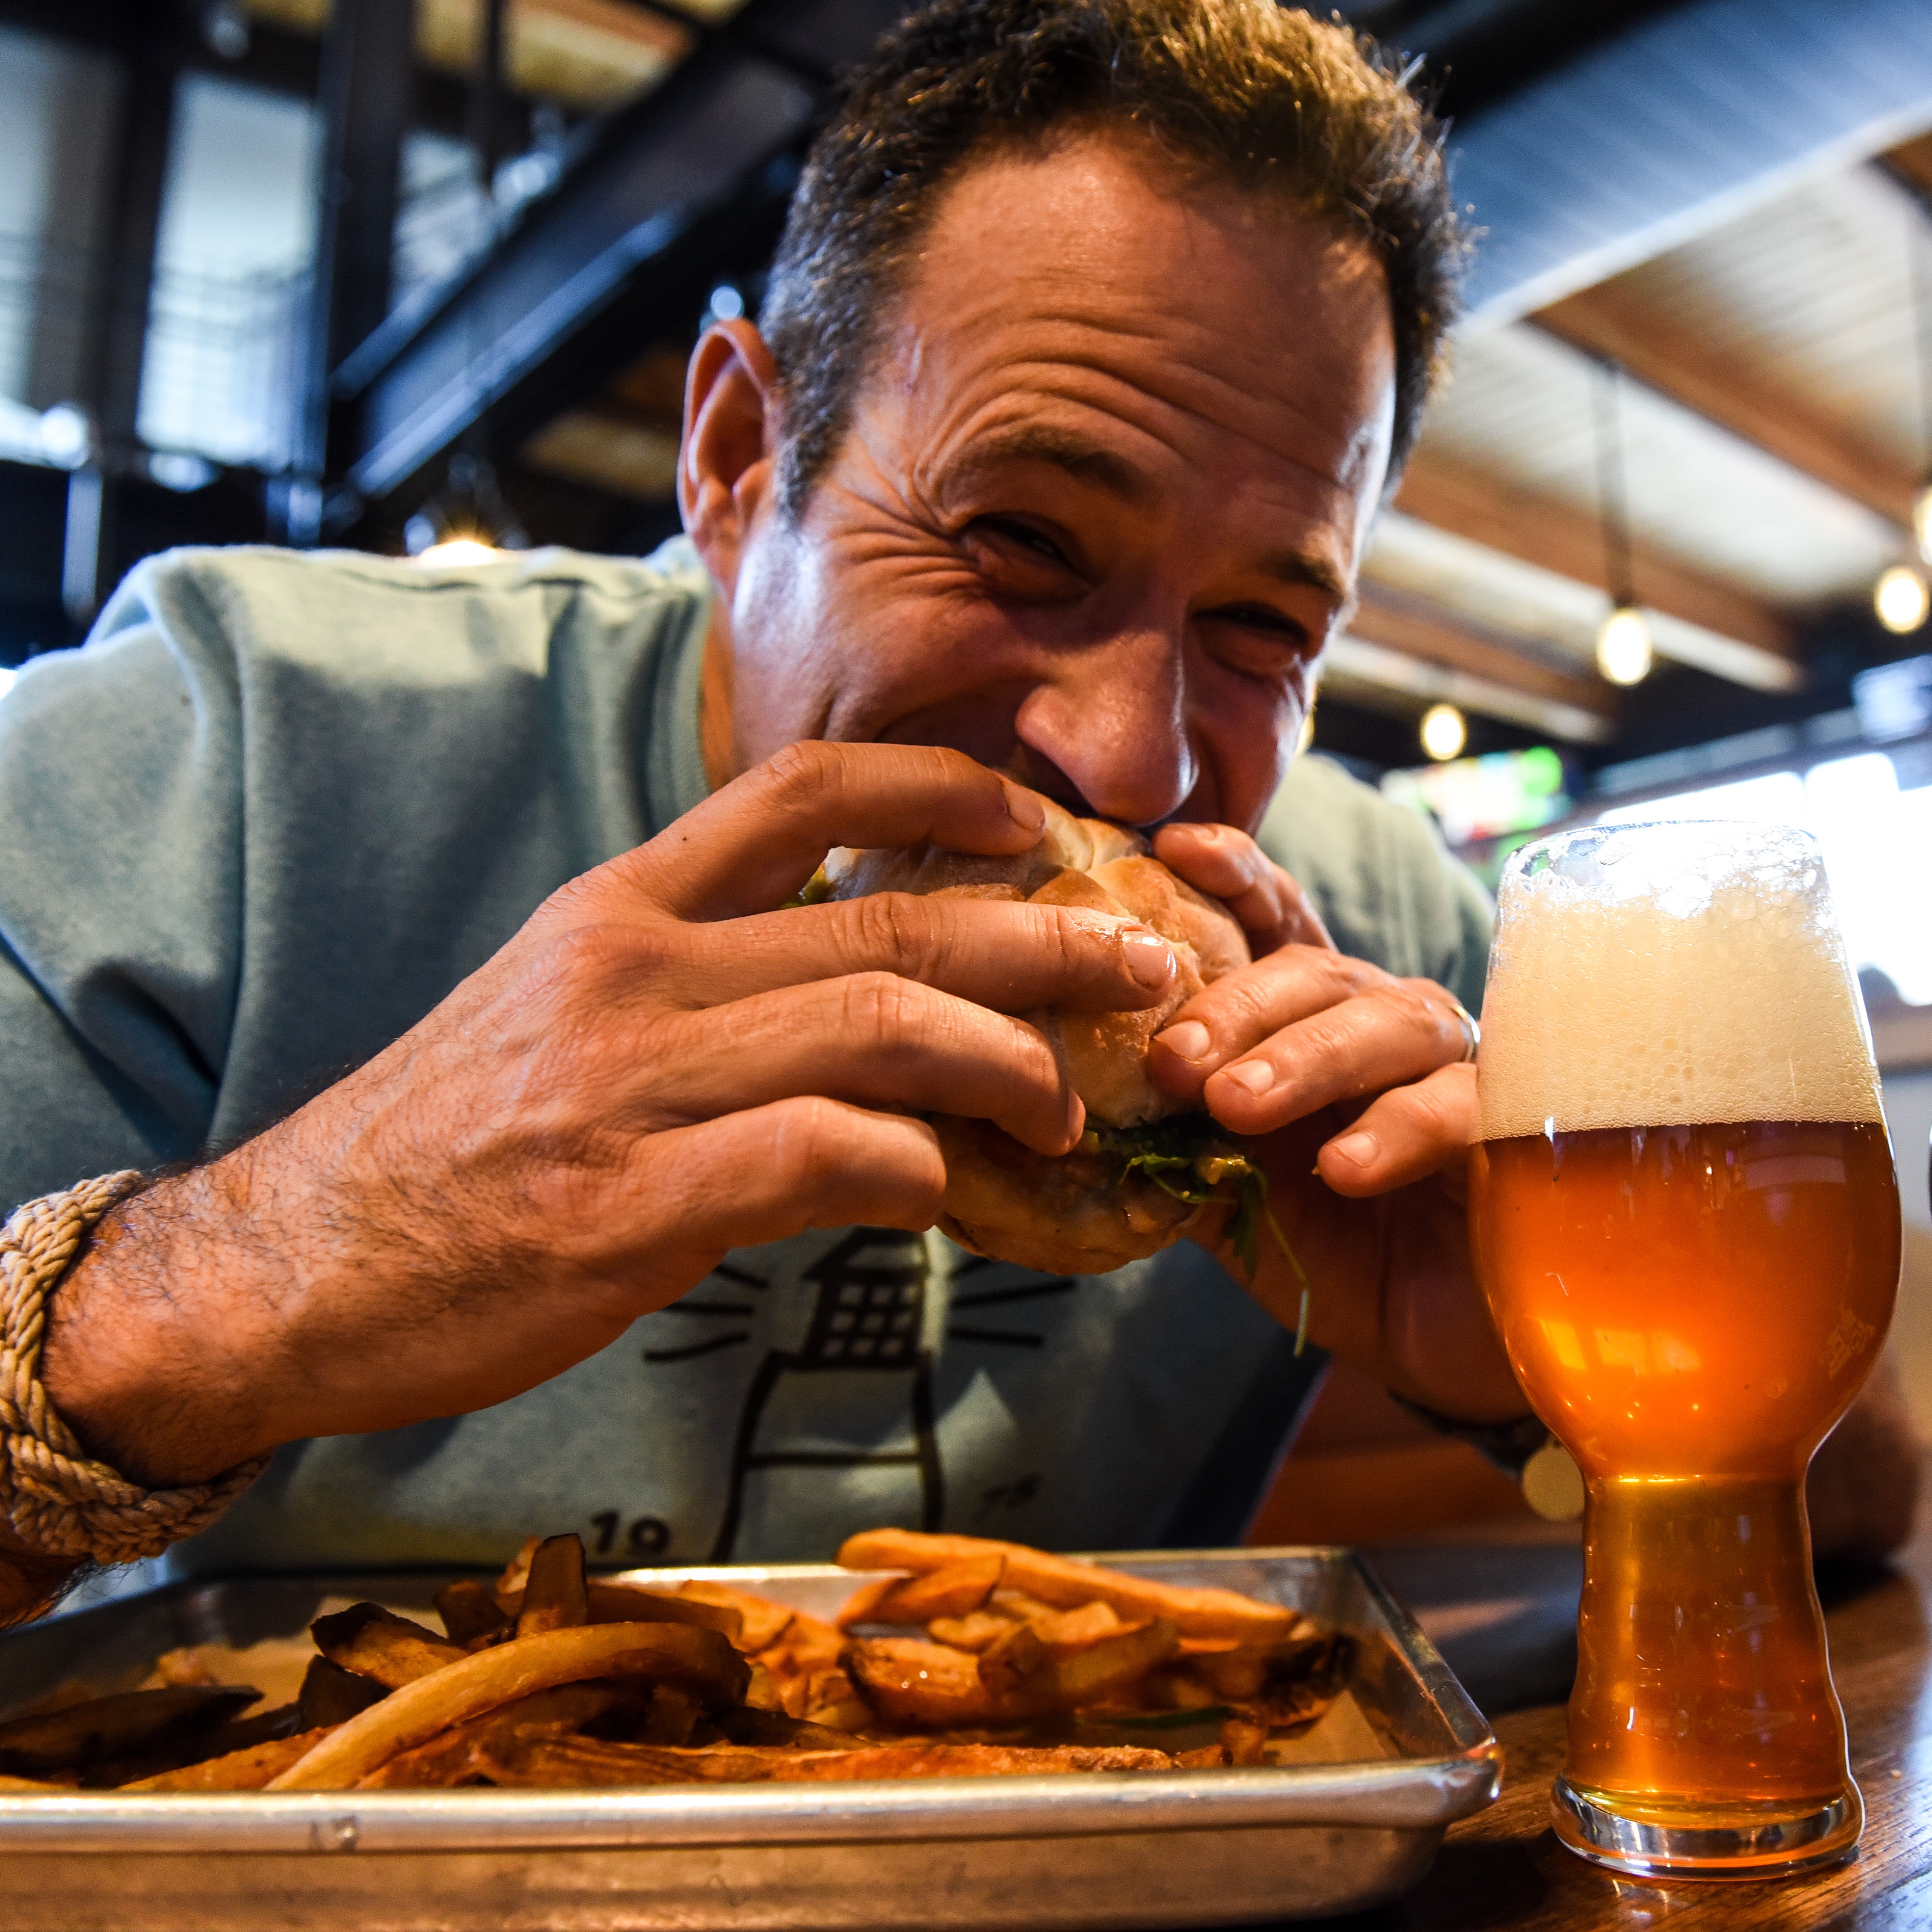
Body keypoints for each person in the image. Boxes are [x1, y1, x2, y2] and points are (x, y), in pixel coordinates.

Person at [0, 0, 1912, 1624]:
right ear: (742, 459)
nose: (1131, 757)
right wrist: (242, 1276)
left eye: (1262, 625)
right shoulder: (228, 741)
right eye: (1019, 536)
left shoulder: (1355, 928)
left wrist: (1550, 1382)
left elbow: (1862, 1497)